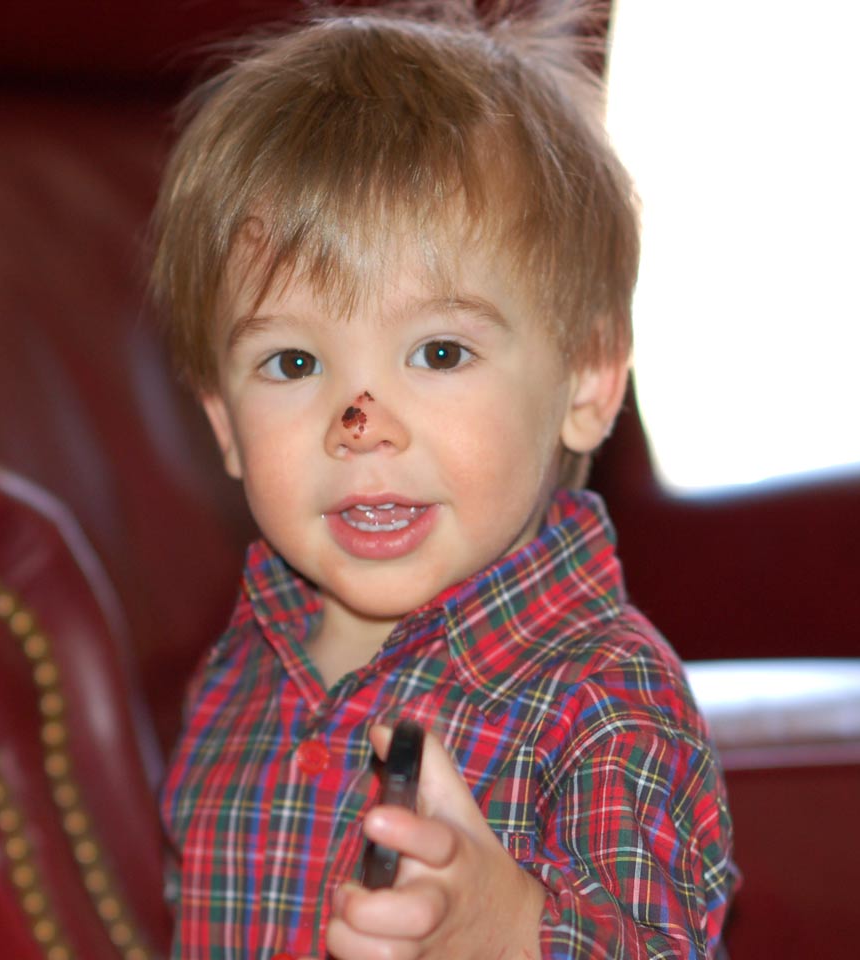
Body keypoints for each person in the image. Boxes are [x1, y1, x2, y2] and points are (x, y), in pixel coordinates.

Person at [149, 1, 736, 957]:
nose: (360, 424)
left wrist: (501, 931)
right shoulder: (236, 676)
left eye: (438, 351)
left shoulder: (601, 701)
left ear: (587, 380)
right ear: (225, 424)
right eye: (294, 363)